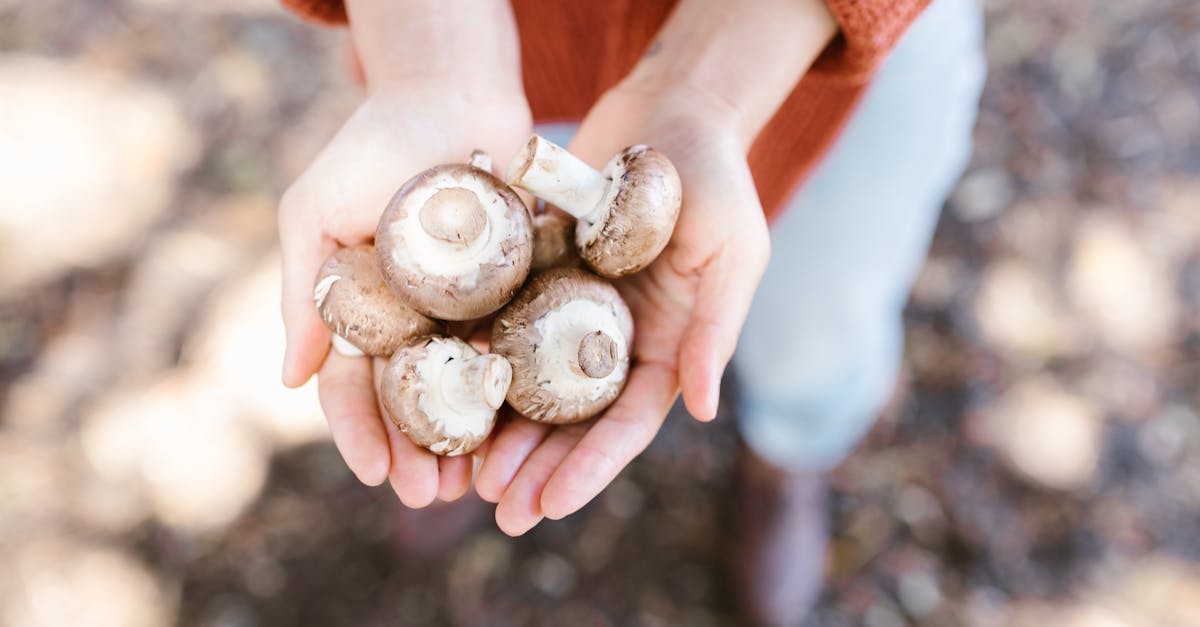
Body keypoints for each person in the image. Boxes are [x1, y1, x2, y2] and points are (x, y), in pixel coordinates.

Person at [277, 0, 984, 623]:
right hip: (501, 45)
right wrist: (429, 60)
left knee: (822, 311)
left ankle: (789, 456)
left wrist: (704, 89)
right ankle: (459, 431)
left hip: (830, 55)